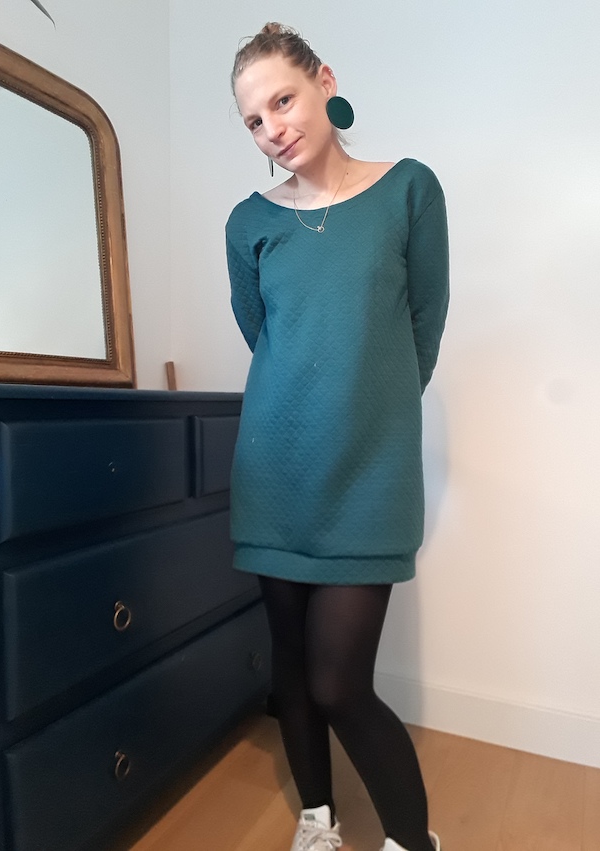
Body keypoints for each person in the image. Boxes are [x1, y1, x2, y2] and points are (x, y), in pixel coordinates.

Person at [225, 22, 448, 851]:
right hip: (272, 473)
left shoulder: (409, 189)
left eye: (282, 100)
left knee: (339, 682)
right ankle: (316, 818)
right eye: (254, 120)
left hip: (368, 476)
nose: (272, 128)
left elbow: (423, 327)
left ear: (324, 81)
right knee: (290, 663)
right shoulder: (248, 222)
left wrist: (367, 411)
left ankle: (414, 842)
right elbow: (266, 339)